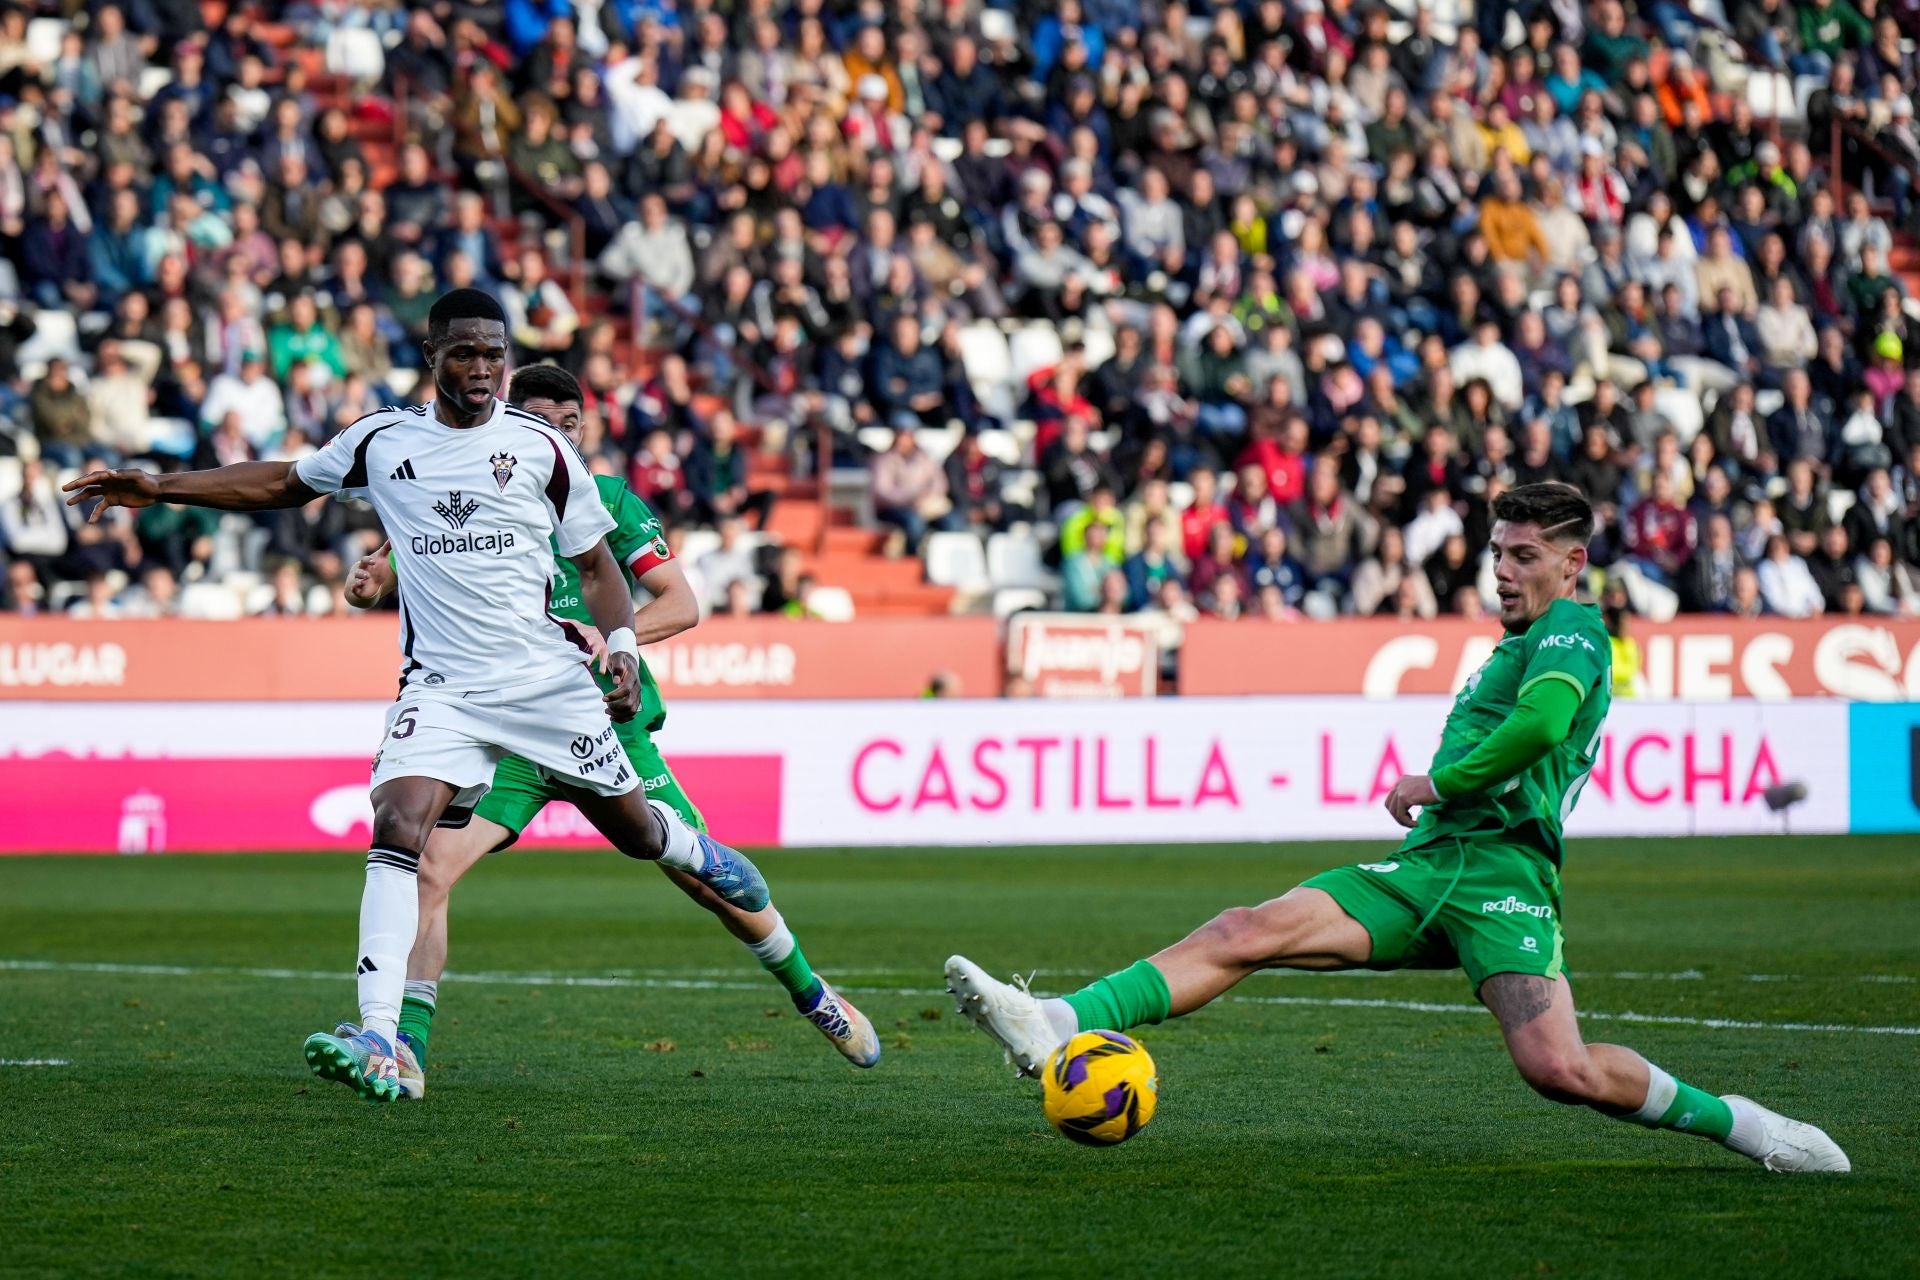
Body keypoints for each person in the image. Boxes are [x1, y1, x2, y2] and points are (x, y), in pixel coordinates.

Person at [944, 482, 1848, 1174]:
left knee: (1560, 1071)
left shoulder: (1571, 632)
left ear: (1571, 565)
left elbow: (1538, 726)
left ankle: (1750, 1126)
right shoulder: (1520, 637)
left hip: (1500, 881)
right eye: (1497, 552)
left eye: (1525, 555)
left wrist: (1436, 778)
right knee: (1243, 930)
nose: (1504, 570)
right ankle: (1053, 1020)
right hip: (1428, 870)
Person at [63, 290, 774, 1104]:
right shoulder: (383, 440)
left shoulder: (541, 449)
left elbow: (595, 566)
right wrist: (162, 488)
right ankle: (377, 1032)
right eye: (464, 351)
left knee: (640, 833)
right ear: (432, 351)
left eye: (494, 353)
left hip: (544, 682)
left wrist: (616, 646)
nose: (481, 369)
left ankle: (694, 849)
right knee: (398, 826)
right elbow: (282, 484)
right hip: (440, 688)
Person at [340, 364, 879, 1092]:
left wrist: (609, 642)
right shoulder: (460, 488)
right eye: (541, 421)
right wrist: (374, 583)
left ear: (583, 429)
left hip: (600, 722)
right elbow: (417, 568)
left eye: (569, 424)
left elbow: (679, 602)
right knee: (430, 869)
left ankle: (815, 997)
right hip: (505, 727)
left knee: (706, 885)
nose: (556, 436)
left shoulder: (609, 500)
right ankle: (406, 1047)